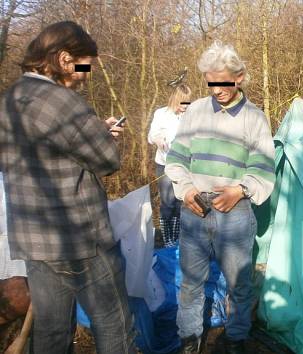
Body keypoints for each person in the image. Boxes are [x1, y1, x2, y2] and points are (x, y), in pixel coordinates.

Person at [0, 21, 135, 353]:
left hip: (34, 241)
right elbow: (106, 160)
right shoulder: (62, 101)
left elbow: (50, 150)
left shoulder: (11, 98)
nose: (86, 74)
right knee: (114, 324)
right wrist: (105, 137)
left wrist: (91, 131)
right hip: (81, 239)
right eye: (84, 64)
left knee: (51, 333)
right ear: (63, 59)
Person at [165, 41, 275, 354]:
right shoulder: (196, 111)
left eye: (223, 81)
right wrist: (185, 190)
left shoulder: (255, 118)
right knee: (190, 282)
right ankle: (190, 339)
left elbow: (264, 167)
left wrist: (241, 189)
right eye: (211, 81)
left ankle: (236, 338)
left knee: (239, 284)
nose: (217, 88)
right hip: (195, 209)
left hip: (236, 214)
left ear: (239, 77)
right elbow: (176, 158)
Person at [148, 84, 192, 247]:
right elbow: (151, 135)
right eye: (182, 103)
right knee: (168, 202)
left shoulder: (190, 116)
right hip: (165, 165)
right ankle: (168, 241)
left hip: (185, 166)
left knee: (182, 201)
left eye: (188, 103)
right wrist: (158, 139)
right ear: (175, 100)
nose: (185, 107)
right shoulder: (161, 114)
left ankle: (179, 238)